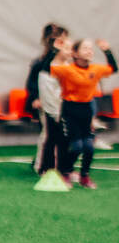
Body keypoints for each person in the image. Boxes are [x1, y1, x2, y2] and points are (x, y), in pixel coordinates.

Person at [52, 37, 116, 189]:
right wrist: (54, 50)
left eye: (91, 48)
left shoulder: (96, 69)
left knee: (89, 146)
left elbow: (114, 69)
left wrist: (107, 51)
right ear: (75, 53)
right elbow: (44, 69)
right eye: (85, 48)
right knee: (77, 146)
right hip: (70, 110)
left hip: (86, 110)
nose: (89, 51)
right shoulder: (67, 70)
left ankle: (84, 176)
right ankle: (66, 172)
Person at [27, 23, 69, 175]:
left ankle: (61, 166)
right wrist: (35, 98)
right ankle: (40, 165)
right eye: (61, 39)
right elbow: (33, 83)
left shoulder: (66, 63)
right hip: (47, 104)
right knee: (47, 134)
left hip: (62, 104)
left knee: (62, 136)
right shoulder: (42, 63)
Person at [35, 41, 71, 180]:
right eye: (66, 48)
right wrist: (53, 110)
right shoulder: (48, 67)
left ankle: (63, 169)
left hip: (65, 108)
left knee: (65, 140)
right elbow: (45, 77)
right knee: (50, 139)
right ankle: (44, 167)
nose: (69, 51)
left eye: (70, 48)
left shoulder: (70, 67)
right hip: (51, 108)